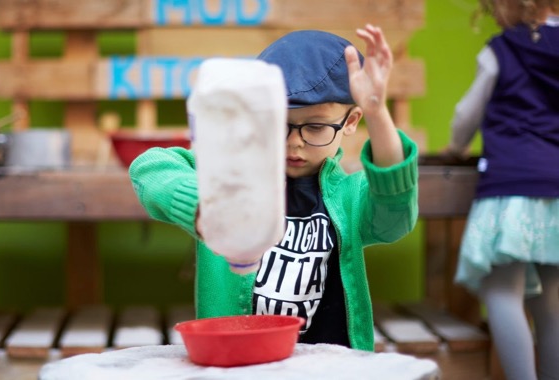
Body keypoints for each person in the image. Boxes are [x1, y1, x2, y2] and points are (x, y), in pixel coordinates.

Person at [129, 24, 419, 351]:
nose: (294, 143)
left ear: (350, 122)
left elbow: (394, 215)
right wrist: (205, 205)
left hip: (330, 368)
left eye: (316, 126)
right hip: (237, 365)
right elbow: (149, 168)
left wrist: (378, 112)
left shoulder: (350, 197)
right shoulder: (229, 178)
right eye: (279, 124)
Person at [444, 1, 559, 379]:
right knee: (552, 305)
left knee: (501, 293)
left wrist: (456, 146)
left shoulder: (502, 49)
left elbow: (467, 114)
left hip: (511, 187)